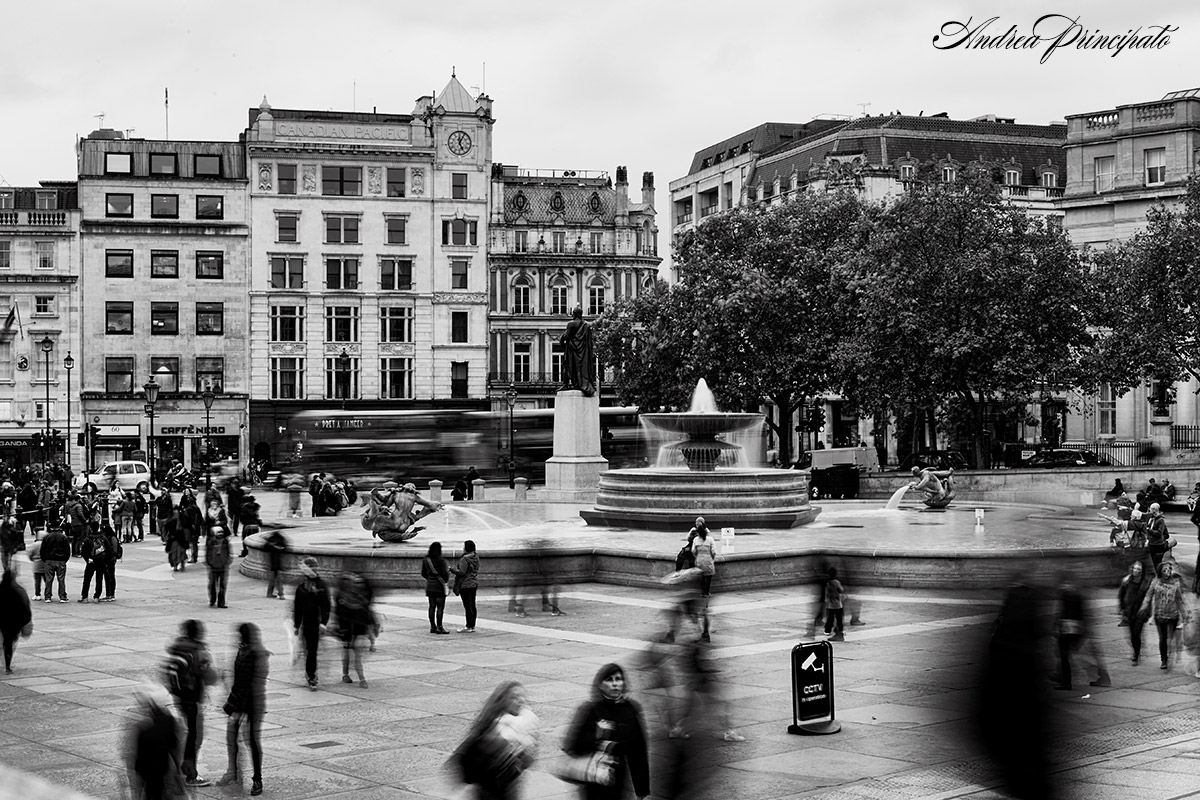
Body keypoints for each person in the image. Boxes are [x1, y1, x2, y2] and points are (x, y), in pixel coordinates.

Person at [563, 663, 650, 800]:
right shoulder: (591, 710)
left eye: (618, 679)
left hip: (619, 781)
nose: (615, 684)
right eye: (609, 680)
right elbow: (573, 746)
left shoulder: (630, 710)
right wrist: (595, 736)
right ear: (600, 685)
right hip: (593, 782)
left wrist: (641, 789)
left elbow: (638, 752)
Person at [453, 681, 539, 800]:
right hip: (490, 791)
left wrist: (526, 748)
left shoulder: (524, 723)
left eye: (522, 696)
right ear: (503, 701)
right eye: (514, 697)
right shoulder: (493, 726)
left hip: (509, 789)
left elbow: (527, 760)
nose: (520, 700)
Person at [165, 619, 219, 787]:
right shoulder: (199, 651)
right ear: (197, 633)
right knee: (194, 736)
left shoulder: (178, 646)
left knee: (187, 733)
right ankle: (190, 775)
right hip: (192, 698)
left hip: (179, 697)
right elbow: (211, 678)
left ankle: (177, 769)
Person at [217, 622, 269, 796]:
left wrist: (237, 707)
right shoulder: (243, 650)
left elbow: (252, 683)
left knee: (252, 740)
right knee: (232, 735)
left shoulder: (256, 653)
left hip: (253, 702)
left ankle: (257, 778)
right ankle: (234, 772)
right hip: (241, 700)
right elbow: (238, 680)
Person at [125, 684, 185, 800]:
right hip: (163, 768)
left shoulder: (143, 728)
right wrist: (178, 770)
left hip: (151, 771)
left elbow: (139, 758)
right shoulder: (169, 720)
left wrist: (136, 778)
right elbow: (174, 746)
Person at [1140, 560, 1190, 670]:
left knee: (1170, 639)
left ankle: (1170, 653)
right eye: (1165, 570)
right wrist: (1144, 606)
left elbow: (1180, 598)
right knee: (1162, 638)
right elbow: (1149, 595)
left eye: (1169, 569)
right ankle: (1164, 660)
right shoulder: (1156, 582)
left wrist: (1185, 612)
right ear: (1161, 572)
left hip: (1173, 614)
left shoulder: (1175, 583)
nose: (1168, 572)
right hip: (1159, 614)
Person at [292, 556, 331, 690]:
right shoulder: (302, 587)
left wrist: (323, 623)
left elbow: (326, 605)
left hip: (316, 623)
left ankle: (311, 675)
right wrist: (297, 625)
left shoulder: (320, 586)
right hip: (307, 623)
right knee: (310, 651)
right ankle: (311, 675)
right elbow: (297, 608)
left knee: (312, 651)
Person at [333, 572, 374, 688]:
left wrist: (370, 630)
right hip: (347, 629)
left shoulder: (359, 597)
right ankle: (346, 674)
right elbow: (339, 615)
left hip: (357, 629)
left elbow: (366, 613)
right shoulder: (342, 597)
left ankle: (361, 678)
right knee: (347, 652)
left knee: (356, 654)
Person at [373, 483, 444, 543]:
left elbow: (386, 506)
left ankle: (390, 534)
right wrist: (437, 504)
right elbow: (429, 504)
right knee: (418, 515)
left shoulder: (395, 494)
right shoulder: (414, 497)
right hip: (405, 523)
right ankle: (402, 534)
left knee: (382, 521)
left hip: (395, 520)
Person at [1119, 561, 1152, 665]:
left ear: (1141, 571)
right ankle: (1136, 650)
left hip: (1140, 611)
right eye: (1134, 568)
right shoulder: (1126, 581)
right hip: (1129, 611)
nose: (1135, 571)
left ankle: (1136, 655)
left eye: (1138, 569)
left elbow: (1148, 598)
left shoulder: (1146, 582)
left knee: (1136, 633)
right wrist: (1122, 608)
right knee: (1132, 635)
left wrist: (1148, 611)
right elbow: (1121, 595)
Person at [559, 305, 596, 396]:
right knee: (580, 367)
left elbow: (566, 336)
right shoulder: (586, 325)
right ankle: (581, 383)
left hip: (571, 349)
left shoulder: (571, 324)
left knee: (567, 366)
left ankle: (565, 384)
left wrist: (562, 342)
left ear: (575, 314)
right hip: (582, 351)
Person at [0, 568, 32, 674]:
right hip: (12, 623)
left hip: (2, 621)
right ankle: (7, 666)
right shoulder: (18, 591)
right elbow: (25, 608)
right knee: (8, 644)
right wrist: (24, 622)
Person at [450, 539, 480, 633]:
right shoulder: (475, 557)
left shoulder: (465, 559)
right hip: (473, 583)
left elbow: (462, 572)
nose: (463, 549)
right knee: (472, 605)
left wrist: (452, 570)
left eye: (464, 547)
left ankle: (468, 626)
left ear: (466, 548)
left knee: (467, 606)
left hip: (465, 585)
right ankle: (472, 625)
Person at [422, 541, 451, 634]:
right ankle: (439, 627)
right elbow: (445, 574)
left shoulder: (426, 560)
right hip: (439, 587)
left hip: (430, 586)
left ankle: (432, 626)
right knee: (440, 608)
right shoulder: (442, 561)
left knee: (431, 607)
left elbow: (423, 573)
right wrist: (445, 581)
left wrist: (430, 578)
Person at [79, 524, 110, 602]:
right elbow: (108, 549)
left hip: (91, 561)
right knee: (99, 578)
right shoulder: (103, 538)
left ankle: (85, 596)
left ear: (91, 529)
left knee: (87, 579)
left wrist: (87, 559)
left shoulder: (88, 539)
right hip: (101, 560)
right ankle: (96, 596)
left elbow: (83, 551)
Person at [40, 523, 70, 602]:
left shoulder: (46, 537)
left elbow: (42, 550)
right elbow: (67, 550)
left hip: (49, 560)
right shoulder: (63, 537)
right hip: (61, 560)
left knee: (49, 579)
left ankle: (48, 596)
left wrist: (45, 559)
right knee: (61, 579)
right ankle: (62, 596)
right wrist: (65, 559)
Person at [205, 524, 232, 608]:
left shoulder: (225, 542)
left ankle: (221, 602)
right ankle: (212, 600)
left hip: (223, 566)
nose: (220, 534)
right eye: (218, 532)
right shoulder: (210, 542)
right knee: (212, 585)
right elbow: (208, 554)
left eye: (221, 532)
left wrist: (227, 561)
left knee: (223, 585)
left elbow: (228, 553)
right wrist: (210, 562)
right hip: (213, 567)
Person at [691, 525, 715, 601]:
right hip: (708, 559)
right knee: (708, 576)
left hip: (699, 559)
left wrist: (697, 556)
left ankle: (702, 592)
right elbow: (714, 551)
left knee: (701, 576)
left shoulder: (695, 540)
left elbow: (693, 551)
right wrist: (712, 558)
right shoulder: (710, 539)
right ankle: (706, 592)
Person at [100, 520, 122, 602]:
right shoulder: (109, 537)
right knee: (107, 576)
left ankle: (111, 594)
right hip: (108, 559)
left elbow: (114, 550)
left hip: (110, 559)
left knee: (110, 576)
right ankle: (109, 593)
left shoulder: (112, 538)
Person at [1145, 503, 1170, 571]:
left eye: (1150, 509)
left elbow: (1159, 533)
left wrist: (1149, 530)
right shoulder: (1151, 519)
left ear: (1154, 510)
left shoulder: (1160, 520)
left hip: (1157, 545)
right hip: (1151, 543)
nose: (1149, 510)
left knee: (1156, 563)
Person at [822, 566, 846, 642]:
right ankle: (840, 630)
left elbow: (826, 594)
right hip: (838, 604)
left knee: (830, 618)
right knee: (839, 619)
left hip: (830, 605)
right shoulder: (836, 582)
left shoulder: (827, 583)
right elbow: (841, 590)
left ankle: (827, 630)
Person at [263, 529, 288, 600]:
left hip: (273, 563)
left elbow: (265, 548)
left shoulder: (271, 541)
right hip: (277, 563)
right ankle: (281, 594)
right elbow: (284, 548)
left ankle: (270, 593)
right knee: (278, 579)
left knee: (273, 579)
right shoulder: (280, 540)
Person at [238, 492, 262, 559]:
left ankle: (245, 552)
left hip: (247, 525)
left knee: (245, 539)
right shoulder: (255, 507)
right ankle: (254, 552)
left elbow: (242, 517)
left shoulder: (243, 507)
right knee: (254, 539)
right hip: (255, 524)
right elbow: (256, 516)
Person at [27, 532, 44, 600]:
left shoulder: (34, 545)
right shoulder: (45, 544)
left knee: (37, 581)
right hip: (45, 564)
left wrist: (33, 559)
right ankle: (48, 594)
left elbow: (30, 554)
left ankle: (37, 594)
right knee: (47, 581)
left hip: (36, 564)